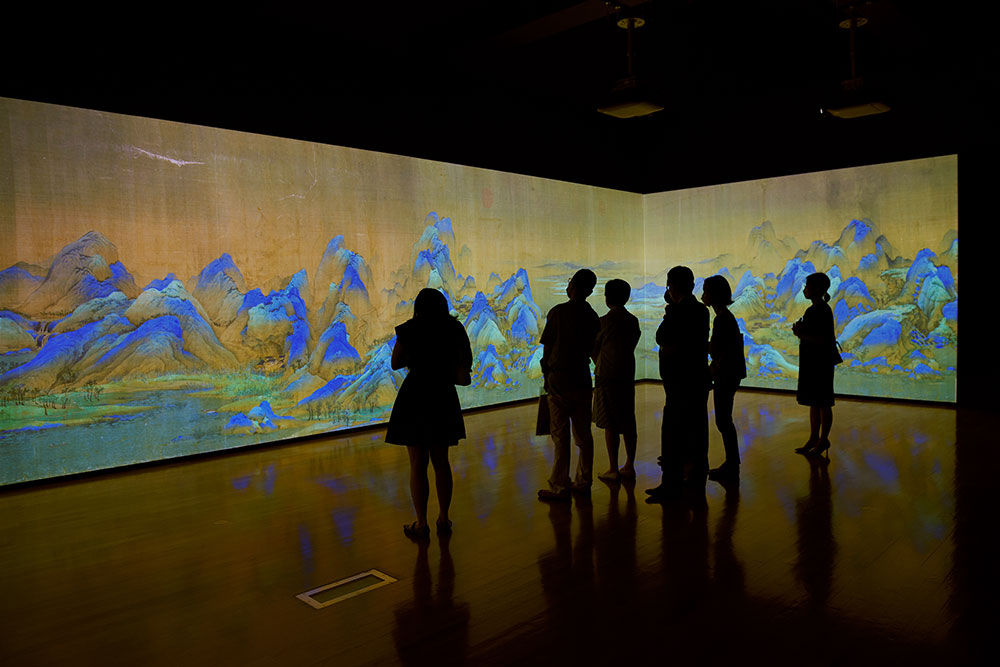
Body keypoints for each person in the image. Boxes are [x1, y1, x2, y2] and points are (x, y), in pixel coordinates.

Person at [386, 288, 473, 539]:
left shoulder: (409, 329)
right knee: (441, 462)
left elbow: (395, 363)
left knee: (417, 464)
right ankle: (444, 519)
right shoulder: (454, 328)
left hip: (414, 396)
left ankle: (421, 523)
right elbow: (465, 363)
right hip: (442, 396)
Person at [646, 266, 710, 502]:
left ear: (671, 286)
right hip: (696, 379)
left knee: (673, 434)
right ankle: (695, 480)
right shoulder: (701, 310)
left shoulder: (678, 311)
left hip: (679, 382)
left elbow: (661, 337)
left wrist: (670, 310)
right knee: (697, 430)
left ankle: (671, 484)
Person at [537, 269, 601, 501]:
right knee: (584, 435)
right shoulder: (592, 316)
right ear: (590, 291)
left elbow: (548, 347)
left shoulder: (558, 312)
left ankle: (559, 485)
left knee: (560, 435)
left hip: (559, 380)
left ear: (572, 285)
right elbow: (593, 349)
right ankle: (584, 481)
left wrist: (546, 372)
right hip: (581, 378)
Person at [592, 279, 641, 483]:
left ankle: (613, 467)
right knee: (628, 420)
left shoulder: (603, 322)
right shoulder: (632, 321)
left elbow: (594, 348)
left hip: (606, 376)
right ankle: (629, 465)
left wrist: (599, 362)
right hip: (626, 375)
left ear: (607, 297)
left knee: (610, 423)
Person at [701, 275, 747, 481]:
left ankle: (732, 464)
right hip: (731, 373)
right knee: (724, 419)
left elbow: (718, 350)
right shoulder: (725, 317)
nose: (703, 295)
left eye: (705, 291)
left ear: (713, 294)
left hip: (726, 374)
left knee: (723, 420)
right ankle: (732, 463)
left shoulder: (721, 319)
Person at [792, 272, 837, 457]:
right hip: (818, 361)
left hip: (819, 361)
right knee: (817, 402)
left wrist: (800, 333)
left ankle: (821, 439)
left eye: (807, 286)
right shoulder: (820, 309)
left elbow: (821, 339)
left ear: (817, 289)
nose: (804, 289)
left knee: (822, 402)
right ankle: (815, 439)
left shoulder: (818, 311)